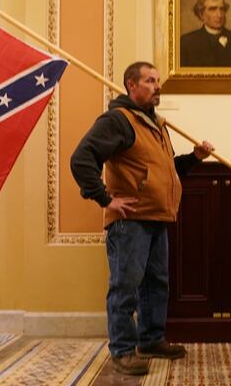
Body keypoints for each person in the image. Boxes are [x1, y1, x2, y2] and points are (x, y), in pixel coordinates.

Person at [70, 61, 214, 376]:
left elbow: (166, 170)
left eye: (158, 80)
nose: (157, 86)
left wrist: (195, 159)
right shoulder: (119, 121)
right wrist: (106, 199)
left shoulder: (155, 124)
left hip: (156, 217)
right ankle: (122, 350)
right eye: (150, 81)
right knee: (126, 286)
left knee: (155, 284)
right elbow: (81, 158)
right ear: (131, 86)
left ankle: (151, 340)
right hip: (130, 222)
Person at [180, 0, 231, 67]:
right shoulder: (187, 42)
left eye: (222, 9)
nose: (219, 15)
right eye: (212, 9)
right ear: (201, 14)